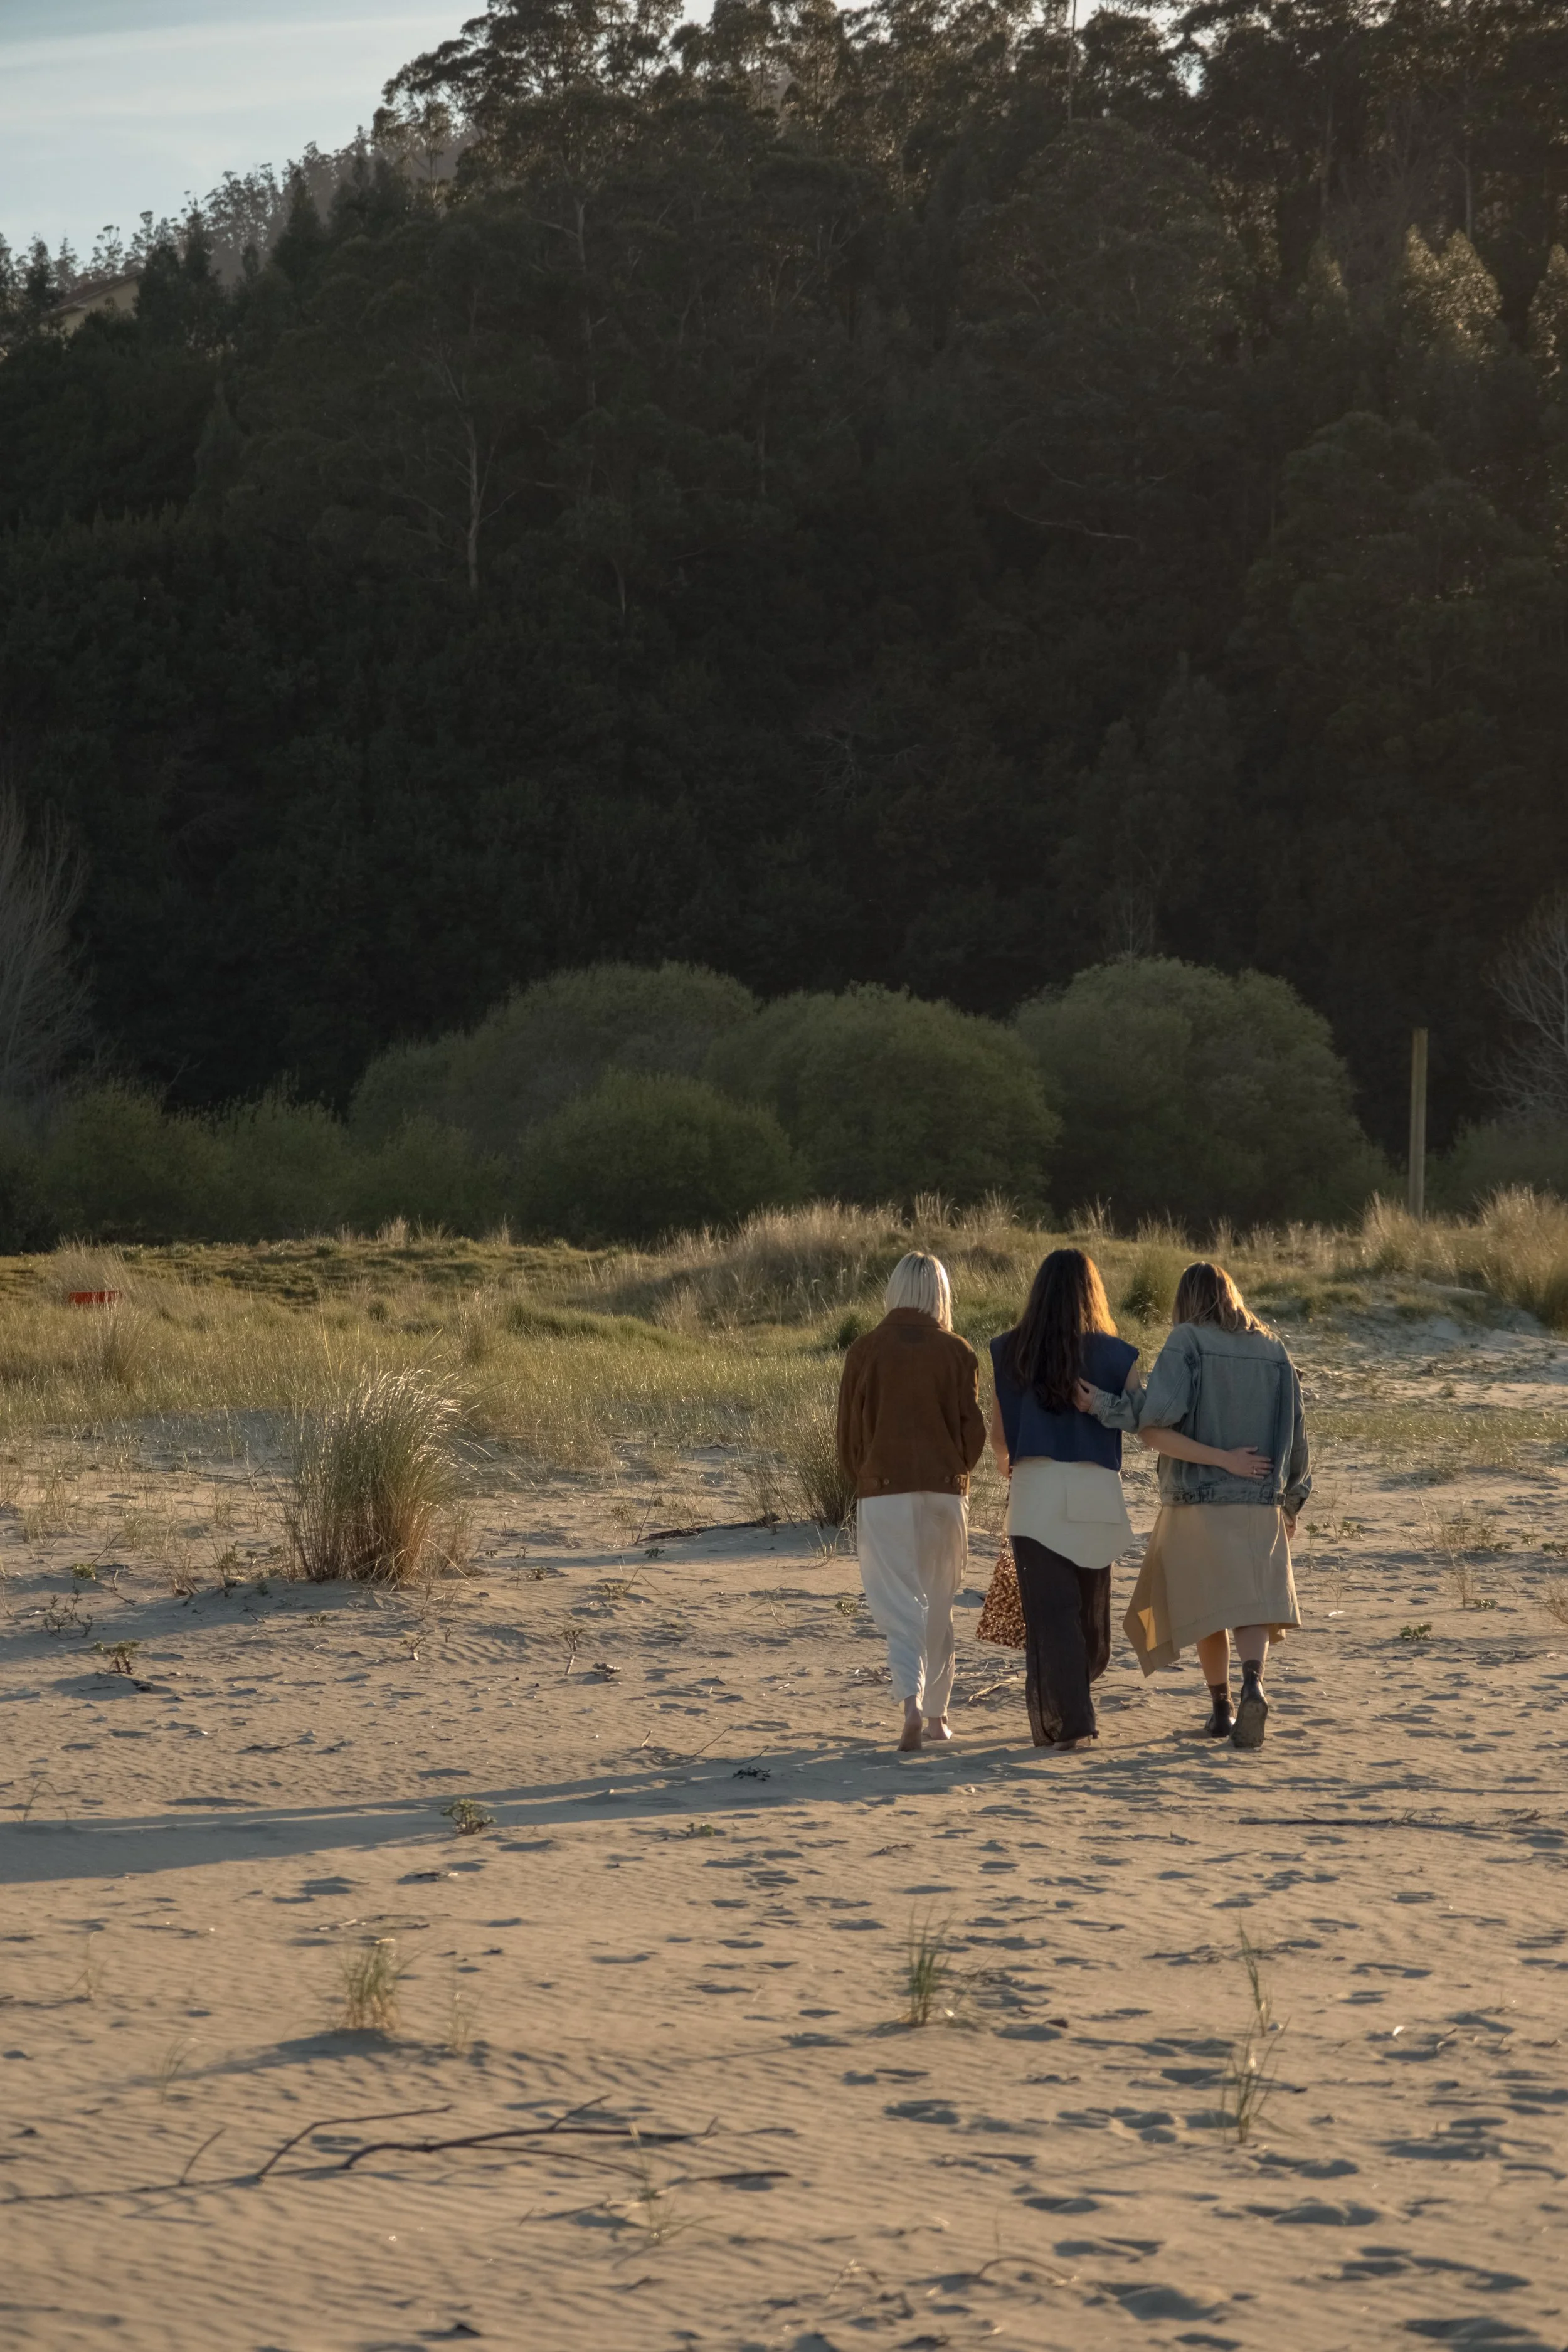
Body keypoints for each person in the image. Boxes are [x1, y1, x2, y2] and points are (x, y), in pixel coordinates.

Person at [1076, 1259, 1311, 1751]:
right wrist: (1289, 1502)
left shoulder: (1188, 1341)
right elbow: (1298, 1436)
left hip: (1196, 1501)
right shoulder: (1274, 1349)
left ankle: (1222, 1707)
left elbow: (1154, 1417)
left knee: (1209, 1610)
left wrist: (1102, 1405)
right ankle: (1254, 1682)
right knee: (1250, 1606)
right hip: (1261, 1498)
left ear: (1186, 1299)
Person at [987, 1249, 1140, 1753]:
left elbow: (1000, 1439)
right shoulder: (1119, 1355)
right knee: (1088, 1616)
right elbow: (1137, 1417)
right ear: (1091, 1292)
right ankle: (1074, 1709)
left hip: (1036, 1494)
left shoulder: (1010, 1351)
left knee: (1052, 1617)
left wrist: (1014, 1460)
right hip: (1096, 1491)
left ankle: (1070, 1716)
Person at [835, 1252, 987, 1752]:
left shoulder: (865, 1350)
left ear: (895, 1290)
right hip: (945, 1488)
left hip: (883, 1489)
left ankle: (911, 1707)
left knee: (899, 1604)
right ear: (939, 1293)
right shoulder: (958, 1351)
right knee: (939, 1602)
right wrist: (957, 1468)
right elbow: (973, 1430)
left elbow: (848, 1433)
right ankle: (939, 1717)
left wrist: (864, 1473)